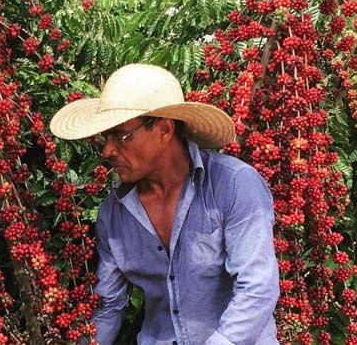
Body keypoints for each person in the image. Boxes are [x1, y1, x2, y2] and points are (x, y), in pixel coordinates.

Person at [50, 64, 279, 345]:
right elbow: (108, 306)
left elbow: (257, 289)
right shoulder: (114, 213)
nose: (107, 150)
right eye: (105, 138)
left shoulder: (233, 185)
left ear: (164, 129)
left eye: (120, 136)